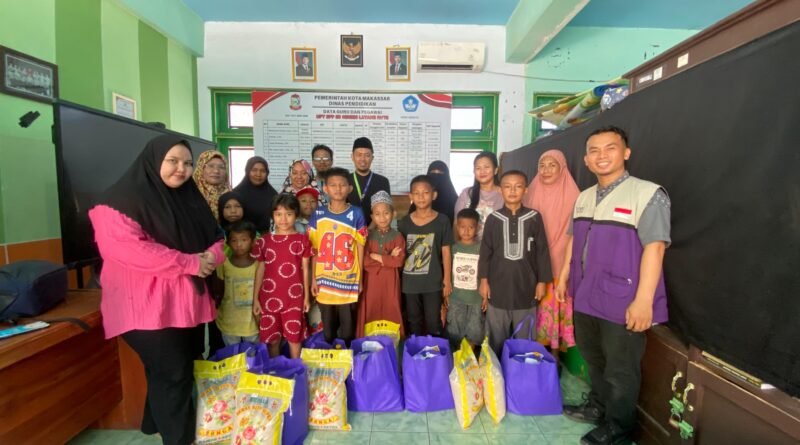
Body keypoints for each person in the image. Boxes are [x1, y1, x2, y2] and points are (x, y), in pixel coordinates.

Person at [88, 135, 224, 445]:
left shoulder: (190, 198)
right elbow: (127, 250)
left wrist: (209, 258)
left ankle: (153, 424)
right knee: (173, 373)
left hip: (185, 305)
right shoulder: (118, 201)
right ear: (153, 161)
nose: (181, 169)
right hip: (144, 306)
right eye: (173, 161)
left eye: (187, 163)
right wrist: (190, 263)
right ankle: (179, 439)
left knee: (176, 368)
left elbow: (218, 238)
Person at [558, 126, 670, 445]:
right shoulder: (584, 197)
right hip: (585, 294)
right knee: (594, 359)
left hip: (623, 299)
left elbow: (656, 247)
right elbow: (572, 239)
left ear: (626, 153)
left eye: (610, 148)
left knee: (621, 370)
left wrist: (644, 301)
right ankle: (599, 407)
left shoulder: (647, 194)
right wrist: (565, 273)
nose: (602, 155)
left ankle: (619, 429)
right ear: (586, 159)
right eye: (594, 151)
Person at [478, 170, 552, 357]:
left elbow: (542, 251)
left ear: (526, 190)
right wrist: (484, 281)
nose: (512, 191)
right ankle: (497, 375)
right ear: (500, 190)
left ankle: (521, 375)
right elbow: (485, 252)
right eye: (507, 186)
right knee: (496, 336)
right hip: (498, 287)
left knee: (525, 338)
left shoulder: (534, 217)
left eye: (518, 186)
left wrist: (542, 281)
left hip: (526, 287)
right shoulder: (493, 219)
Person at [523, 149, 579, 353]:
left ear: (562, 168)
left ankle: (552, 357)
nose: (546, 170)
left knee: (553, 309)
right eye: (542, 165)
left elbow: (575, 234)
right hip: (530, 263)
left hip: (559, 264)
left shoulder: (575, 196)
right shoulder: (529, 193)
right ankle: (529, 355)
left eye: (552, 165)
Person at [309, 167, 368, 344]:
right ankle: (331, 364)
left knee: (348, 328)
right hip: (324, 280)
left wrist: (360, 279)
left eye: (342, 185)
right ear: (325, 189)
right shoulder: (318, 214)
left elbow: (360, 246)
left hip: (348, 279)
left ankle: (347, 361)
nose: (338, 189)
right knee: (328, 329)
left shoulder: (356, 213)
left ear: (349, 188)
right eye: (333, 185)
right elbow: (314, 250)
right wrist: (313, 279)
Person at [252, 194, 312, 358]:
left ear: (296, 215)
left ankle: (295, 371)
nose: (283, 219)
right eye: (278, 214)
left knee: (294, 338)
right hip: (269, 296)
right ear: (272, 216)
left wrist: (307, 297)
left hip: (294, 296)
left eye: (289, 214)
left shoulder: (302, 240)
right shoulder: (264, 241)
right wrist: (255, 298)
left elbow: (306, 270)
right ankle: (276, 373)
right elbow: (260, 269)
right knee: (272, 339)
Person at [398, 175, 454, 337]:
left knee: (433, 321)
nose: (421, 197)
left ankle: (434, 356)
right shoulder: (404, 222)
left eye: (425, 192)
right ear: (411, 196)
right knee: (414, 320)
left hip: (433, 282)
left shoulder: (442, 221)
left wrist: (447, 280)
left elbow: (446, 252)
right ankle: (415, 356)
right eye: (416, 193)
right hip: (410, 282)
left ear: (434, 195)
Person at [356, 191, 406, 338]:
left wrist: (376, 256)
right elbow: (364, 261)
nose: (382, 218)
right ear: (372, 217)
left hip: (391, 280)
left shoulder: (397, 236)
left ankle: (393, 343)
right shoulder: (368, 236)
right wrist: (388, 258)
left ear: (393, 214)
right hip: (371, 281)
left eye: (386, 213)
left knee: (391, 306)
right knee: (371, 307)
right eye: (377, 214)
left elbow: (399, 261)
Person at [444, 208, 484, 350]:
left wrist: (485, 296)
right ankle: (457, 356)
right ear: (457, 227)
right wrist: (447, 292)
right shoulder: (453, 248)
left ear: (477, 227)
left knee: (475, 328)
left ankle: (471, 356)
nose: (466, 231)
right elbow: (448, 272)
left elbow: (485, 274)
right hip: (456, 296)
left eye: (470, 227)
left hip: (475, 298)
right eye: (462, 227)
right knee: (455, 328)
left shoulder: (481, 248)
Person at [214, 220, 259, 346]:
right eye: (234, 240)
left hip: (252, 323)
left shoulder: (258, 265)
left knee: (253, 358)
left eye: (244, 240)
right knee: (233, 358)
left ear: (253, 241)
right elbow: (219, 290)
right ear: (228, 242)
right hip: (229, 322)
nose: (239, 244)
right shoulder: (223, 264)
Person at [454, 152, 504, 239]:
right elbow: (456, 224)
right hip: (469, 249)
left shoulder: (504, 194)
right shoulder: (466, 193)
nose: (482, 171)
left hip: (495, 249)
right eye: (478, 168)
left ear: (496, 170)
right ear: (473, 171)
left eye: (486, 167)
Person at [348, 137, 391, 227]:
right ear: (352, 157)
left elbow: (386, 209)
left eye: (367, 155)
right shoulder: (345, 180)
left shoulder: (382, 181)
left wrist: (369, 231)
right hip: (349, 230)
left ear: (372, 157)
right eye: (359, 155)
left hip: (375, 231)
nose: (363, 159)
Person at [233, 156, 277, 233]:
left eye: (262, 171)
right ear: (248, 171)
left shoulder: (273, 195)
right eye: (254, 170)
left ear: (267, 173)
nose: (258, 174)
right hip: (242, 239)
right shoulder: (236, 194)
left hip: (267, 239)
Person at [192, 150, 230, 221]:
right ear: (201, 168)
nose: (216, 171)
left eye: (221, 167)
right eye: (211, 166)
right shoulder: (190, 194)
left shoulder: (231, 196)